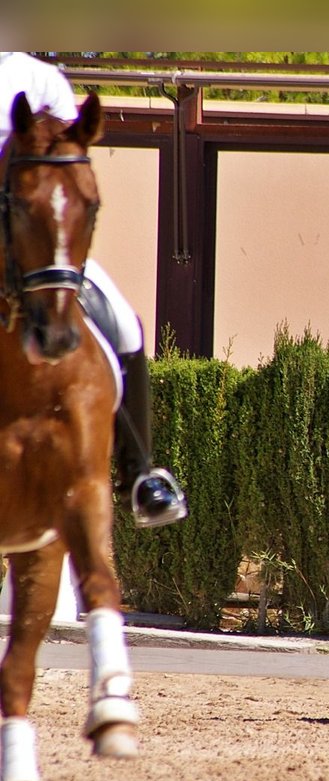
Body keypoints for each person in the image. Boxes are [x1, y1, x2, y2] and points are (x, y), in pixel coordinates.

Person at [0, 52, 188, 528]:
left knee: (125, 326)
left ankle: (142, 475)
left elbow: (64, 174)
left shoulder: (44, 79)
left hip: (39, 253)